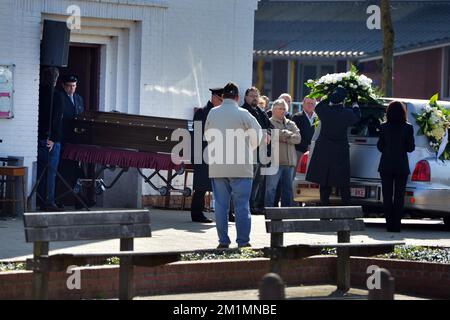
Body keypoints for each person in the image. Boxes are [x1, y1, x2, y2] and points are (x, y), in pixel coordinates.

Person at [205, 82, 263, 249]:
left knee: (221, 206)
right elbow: (257, 137)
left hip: (218, 166)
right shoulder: (244, 114)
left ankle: (223, 241)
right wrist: (248, 149)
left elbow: (208, 136)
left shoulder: (213, 113)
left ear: (223, 97)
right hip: (241, 166)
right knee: (242, 206)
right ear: (237, 97)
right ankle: (243, 242)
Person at [305, 86, 361, 206]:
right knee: (343, 184)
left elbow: (318, 106)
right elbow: (357, 116)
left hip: (324, 151)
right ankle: (347, 212)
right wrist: (355, 102)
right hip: (340, 152)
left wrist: (329, 94)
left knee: (324, 184)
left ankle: (325, 212)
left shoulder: (325, 111)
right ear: (343, 101)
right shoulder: (347, 113)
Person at [377, 101, 415, 232]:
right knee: (399, 196)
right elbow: (411, 148)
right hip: (401, 166)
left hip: (386, 165)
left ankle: (389, 225)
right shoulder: (408, 127)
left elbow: (380, 146)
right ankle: (397, 225)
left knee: (387, 196)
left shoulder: (383, 127)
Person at [191, 88, 224, 223]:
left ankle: (201, 212)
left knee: (209, 185)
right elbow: (197, 135)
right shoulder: (202, 112)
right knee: (201, 186)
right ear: (214, 97)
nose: (222, 103)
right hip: (203, 153)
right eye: (221, 100)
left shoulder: (219, 113)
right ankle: (197, 214)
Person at [241, 87, 272, 215]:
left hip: (262, 152)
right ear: (246, 98)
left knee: (258, 181)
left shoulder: (260, 111)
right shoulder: (243, 111)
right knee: (249, 181)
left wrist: (268, 134)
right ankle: (246, 205)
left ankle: (253, 205)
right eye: (252, 96)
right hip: (250, 151)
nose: (254, 98)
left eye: (256, 96)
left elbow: (269, 126)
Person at [37, 67, 64, 211]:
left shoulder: (38, 93)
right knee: (51, 172)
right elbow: (57, 119)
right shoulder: (57, 96)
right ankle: (49, 201)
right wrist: (53, 138)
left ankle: (40, 199)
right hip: (51, 139)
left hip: (38, 136)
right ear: (56, 79)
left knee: (40, 170)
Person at [265, 99, 301, 208]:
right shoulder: (269, 122)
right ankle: (269, 210)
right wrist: (288, 135)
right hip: (275, 162)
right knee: (271, 188)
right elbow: (274, 135)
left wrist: (284, 136)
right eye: (279, 108)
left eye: (284, 109)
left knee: (288, 189)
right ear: (273, 110)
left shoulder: (291, 123)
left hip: (289, 162)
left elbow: (298, 139)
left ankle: (285, 211)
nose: (282, 111)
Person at [57, 75, 85, 208]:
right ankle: (59, 200)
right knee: (62, 171)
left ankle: (78, 201)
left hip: (76, 141)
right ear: (63, 85)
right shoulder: (59, 97)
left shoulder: (79, 99)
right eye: (69, 86)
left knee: (77, 171)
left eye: (74, 86)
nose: (71, 88)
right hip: (63, 140)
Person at [292, 97, 317, 165]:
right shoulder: (296, 117)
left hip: (315, 152)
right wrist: (307, 146)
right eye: (308, 103)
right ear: (303, 104)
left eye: (312, 103)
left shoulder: (318, 118)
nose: (310, 105)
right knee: (297, 174)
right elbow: (294, 135)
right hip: (300, 151)